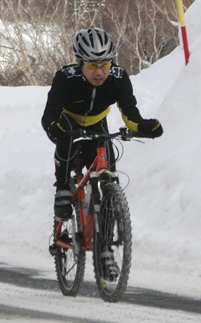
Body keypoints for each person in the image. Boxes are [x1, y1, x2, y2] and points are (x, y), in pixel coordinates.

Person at [42, 28, 163, 221]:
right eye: (92, 66)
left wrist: (142, 126)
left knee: (107, 163)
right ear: (80, 63)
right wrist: (54, 126)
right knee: (66, 141)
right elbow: (50, 114)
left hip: (97, 122)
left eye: (104, 65)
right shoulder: (66, 78)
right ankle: (63, 188)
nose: (99, 72)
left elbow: (129, 112)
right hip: (68, 121)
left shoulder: (118, 78)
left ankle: (108, 203)